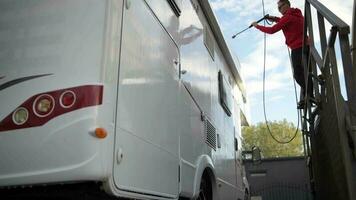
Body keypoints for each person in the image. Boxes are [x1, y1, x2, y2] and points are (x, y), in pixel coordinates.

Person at [251, 0, 312, 108]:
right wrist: (273, 18)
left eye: (280, 7)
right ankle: (309, 95)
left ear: (287, 5)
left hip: (297, 48)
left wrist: (257, 26)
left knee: (298, 75)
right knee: (306, 73)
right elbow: (284, 21)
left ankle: (310, 95)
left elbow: (272, 30)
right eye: (278, 8)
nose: (279, 10)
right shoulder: (297, 13)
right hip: (307, 46)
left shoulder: (287, 17)